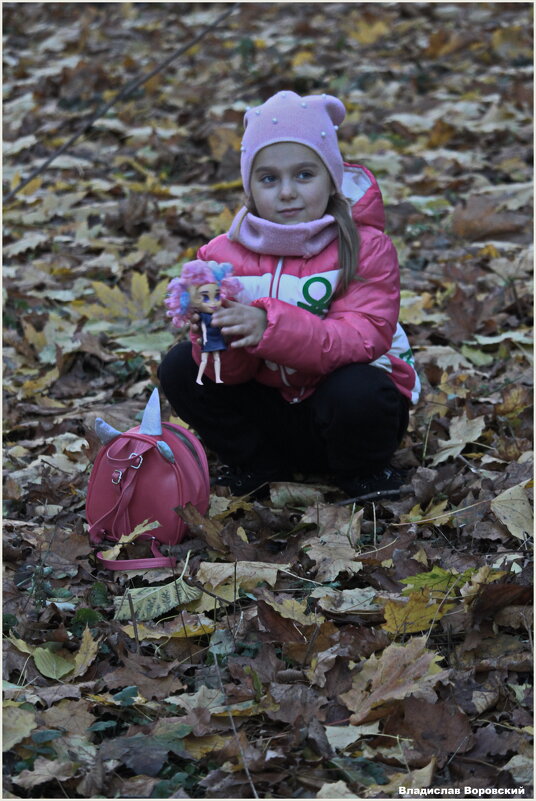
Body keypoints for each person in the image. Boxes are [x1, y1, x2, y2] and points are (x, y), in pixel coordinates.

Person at [158, 90, 421, 502]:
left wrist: (268, 325)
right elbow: (232, 376)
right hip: (273, 412)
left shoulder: (365, 246)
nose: (286, 192)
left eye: (303, 175)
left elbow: (363, 335)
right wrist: (218, 337)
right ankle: (259, 465)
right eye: (269, 179)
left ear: (331, 177)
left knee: (360, 388)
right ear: (250, 187)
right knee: (181, 367)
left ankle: (363, 473)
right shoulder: (221, 257)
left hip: (339, 412)